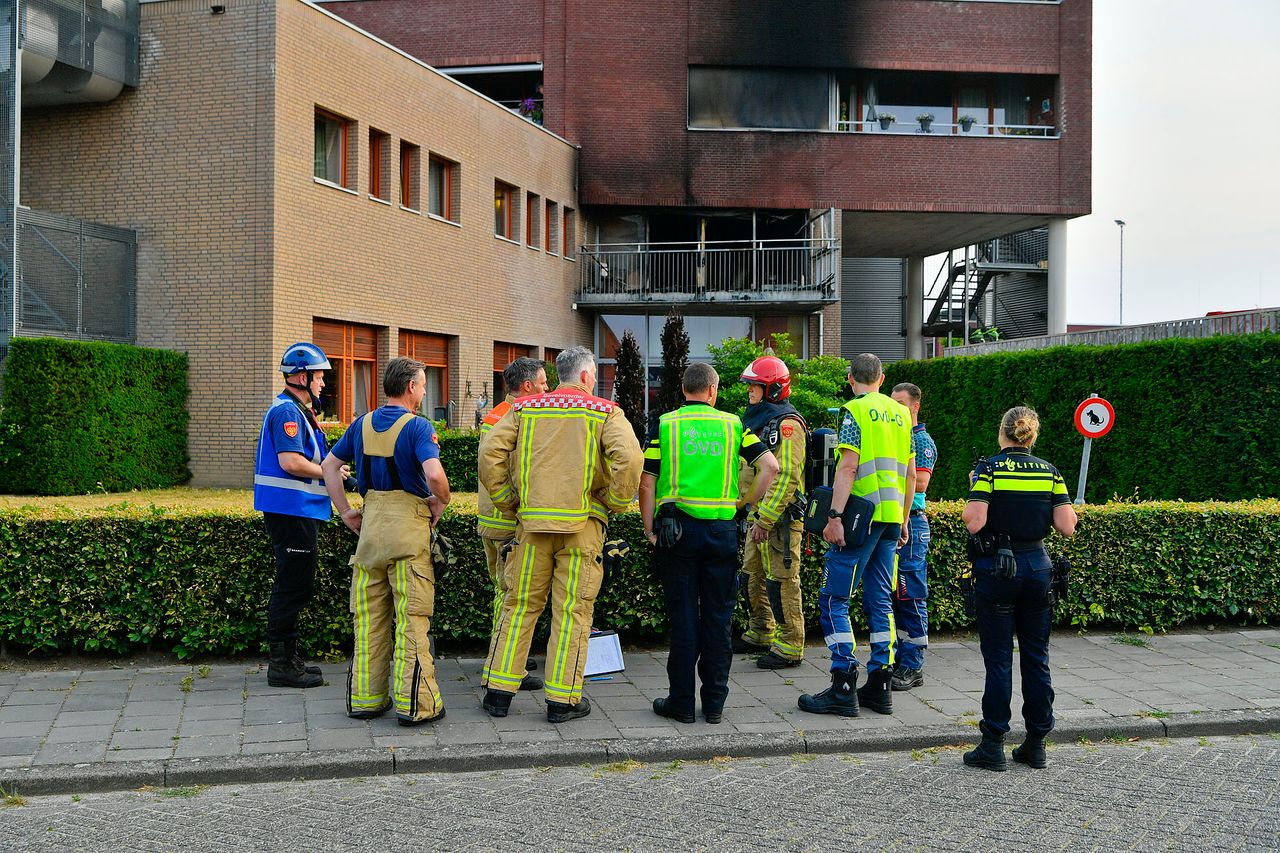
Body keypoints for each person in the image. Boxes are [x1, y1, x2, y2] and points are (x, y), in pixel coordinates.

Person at [478, 346, 642, 723]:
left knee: (519, 605)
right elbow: (630, 459)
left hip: (531, 526)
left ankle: (498, 694)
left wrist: (506, 500)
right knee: (572, 611)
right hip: (582, 526)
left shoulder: (525, 408)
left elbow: (490, 454)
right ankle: (562, 701)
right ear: (585, 376)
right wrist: (615, 501)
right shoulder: (605, 411)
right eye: (594, 375)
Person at [641, 363, 780, 724]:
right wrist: (743, 504)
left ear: (683, 389)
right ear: (713, 391)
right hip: (721, 532)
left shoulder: (666, 425)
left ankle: (681, 703)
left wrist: (649, 531)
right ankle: (715, 704)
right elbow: (770, 467)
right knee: (718, 619)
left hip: (678, 533)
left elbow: (647, 481)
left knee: (684, 619)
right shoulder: (734, 425)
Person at [321, 357, 452, 726]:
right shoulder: (418, 427)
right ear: (410, 387)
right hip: (407, 533)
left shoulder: (361, 424)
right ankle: (417, 706)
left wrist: (346, 511)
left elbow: (329, 466)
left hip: (370, 531)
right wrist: (442, 500)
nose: (424, 391)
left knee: (369, 621)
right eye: (423, 385)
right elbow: (434, 474)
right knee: (412, 621)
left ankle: (366, 699)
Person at [798, 353, 915, 718]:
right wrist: (904, 519)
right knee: (881, 600)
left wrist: (834, 517)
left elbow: (848, 467)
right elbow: (911, 474)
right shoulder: (902, 415)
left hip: (860, 521)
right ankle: (880, 684)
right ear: (882, 378)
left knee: (834, 599)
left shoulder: (855, 411)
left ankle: (843, 684)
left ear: (851, 378)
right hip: (891, 519)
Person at [961, 406, 1076, 772]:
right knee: (1036, 657)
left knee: (999, 659)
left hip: (999, 569)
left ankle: (993, 744)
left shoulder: (989, 469)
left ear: (1002, 432)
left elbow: (974, 521)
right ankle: (1036, 743)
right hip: (1038, 568)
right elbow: (1067, 526)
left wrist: (975, 487)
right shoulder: (1050, 471)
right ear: (1032, 435)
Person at [253, 342, 344, 689]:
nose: (323, 383)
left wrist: (334, 470)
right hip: (290, 511)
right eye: (319, 377)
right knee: (292, 587)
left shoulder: (298, 411)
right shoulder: (287, 413)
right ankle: (282, 666)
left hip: (298, 510)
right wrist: (330, 473)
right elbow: (290, 462)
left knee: (297, 585)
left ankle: (289, 660)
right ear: (302, 377)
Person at [476, 356, 549, 692]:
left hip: (491, 518)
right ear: (527, 386)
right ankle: (503, 666)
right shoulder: (517, 416)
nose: (547, 388)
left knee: (502, 590)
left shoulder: (496, 414)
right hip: (507, 520)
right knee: (510, 594)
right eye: (543, 383)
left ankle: (507, 658)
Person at [732, 355, 809, 669]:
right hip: (757, 515)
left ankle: (790, 645)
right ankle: (761, 631)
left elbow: (786, 475)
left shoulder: (788, 425)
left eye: (755, 386)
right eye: (749, 385)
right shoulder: (757, 420)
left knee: (782, 580)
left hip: (780, 520)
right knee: (752, 576)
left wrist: (765, 519)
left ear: (773, 389)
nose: (749, 391)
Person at [888, 382, 937, 691]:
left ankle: (913, 665)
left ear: (915, 407)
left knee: (911, 594)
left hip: (913, 524)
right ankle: (899, 659)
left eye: (901, 404)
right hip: (895, 521)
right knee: (894, 597)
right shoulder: (897, 436)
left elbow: (919, 483)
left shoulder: (920, 440)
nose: (895, 410)